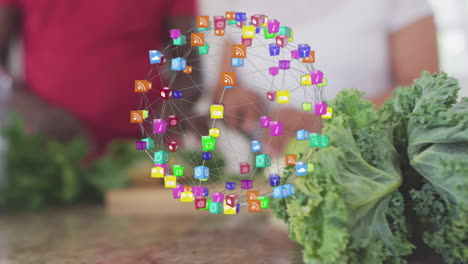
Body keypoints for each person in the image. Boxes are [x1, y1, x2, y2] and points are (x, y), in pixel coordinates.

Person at [215, 0, 439, 156]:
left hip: (367, 173)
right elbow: (223, 89)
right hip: (269, 175)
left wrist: (326, 123)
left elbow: (422, 90)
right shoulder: (243, 4)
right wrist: (236, 101)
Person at [0, 0, 205, 156]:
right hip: (50, 156)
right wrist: (32, 109)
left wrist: (170, 109)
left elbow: (189, 66)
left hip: (145, 158)